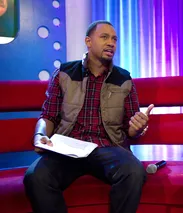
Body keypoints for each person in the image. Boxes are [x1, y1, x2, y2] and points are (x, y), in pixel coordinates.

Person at [23, 20, 153, 213]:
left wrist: (136, 129)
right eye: (104, 37)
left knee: (134, 171)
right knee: (35, 176)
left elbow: (130, 128)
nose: (111, 43)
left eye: (114, 39)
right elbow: (48, 115)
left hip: (107, 148)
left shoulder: (124, 79)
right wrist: (40, 136)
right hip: (67, 147)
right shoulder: (64, 74)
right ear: (88, 41)